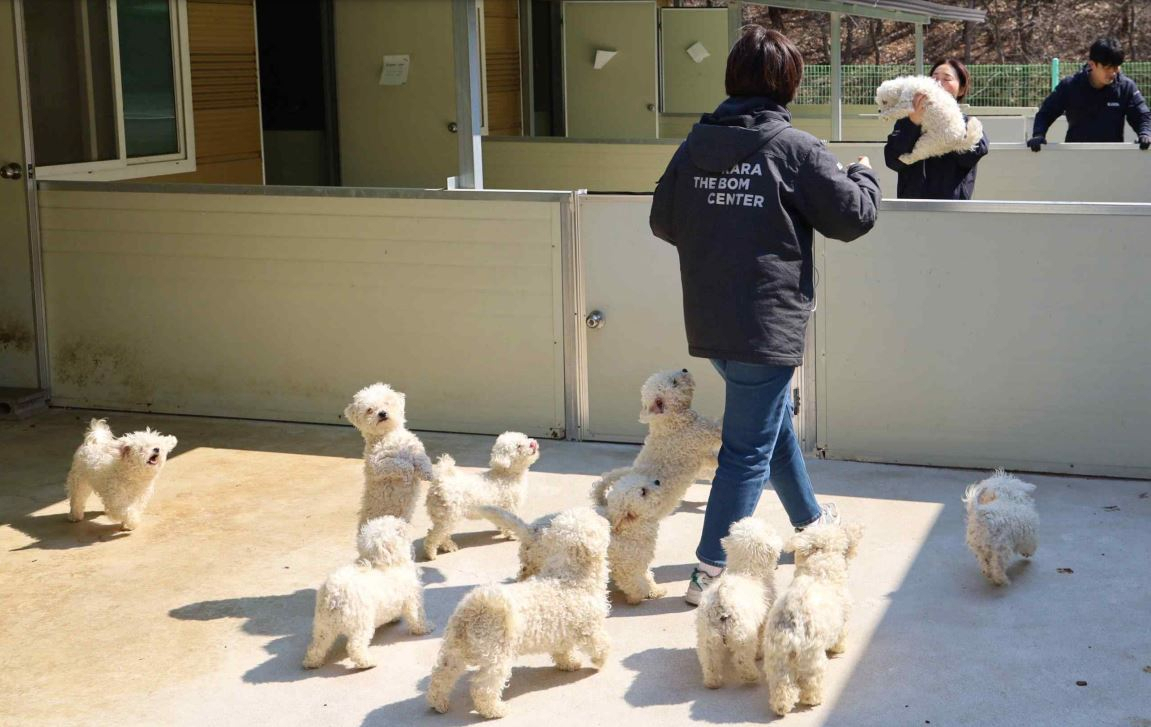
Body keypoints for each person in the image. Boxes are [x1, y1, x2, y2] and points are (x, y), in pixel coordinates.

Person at [649, 25, 880, 606]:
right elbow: (853, 218)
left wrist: (719, 233)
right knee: (747, 450)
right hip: (766, 324)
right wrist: (863, 174)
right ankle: (711, 569)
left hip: (712, 322)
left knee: (770, 431)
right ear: (788, 82)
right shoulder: (795, 148)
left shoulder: (696, 145)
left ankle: (814, 529)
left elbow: (663, 219)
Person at [884, 58, 989, 200]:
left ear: (961, 89)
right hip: (912, 206)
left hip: (952, 208)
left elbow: (972, 155)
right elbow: (892, 161)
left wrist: (945, 121)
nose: (939, 83)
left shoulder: (968, 124)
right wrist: (913, 123)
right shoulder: (908, 120)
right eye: (934, 78)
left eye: (947, 79)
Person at [1028, 37, 1151, 151]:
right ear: (1092, 64)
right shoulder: (1070, 86)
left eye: (1116, 67)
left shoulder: (1125, 87)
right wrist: (1039, 134)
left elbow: (1142, 115)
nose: (1113, 73)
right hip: (1075, 157)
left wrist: (1145, 133)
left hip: (1113, 158)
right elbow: (1046, 112)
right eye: (1108, 68)